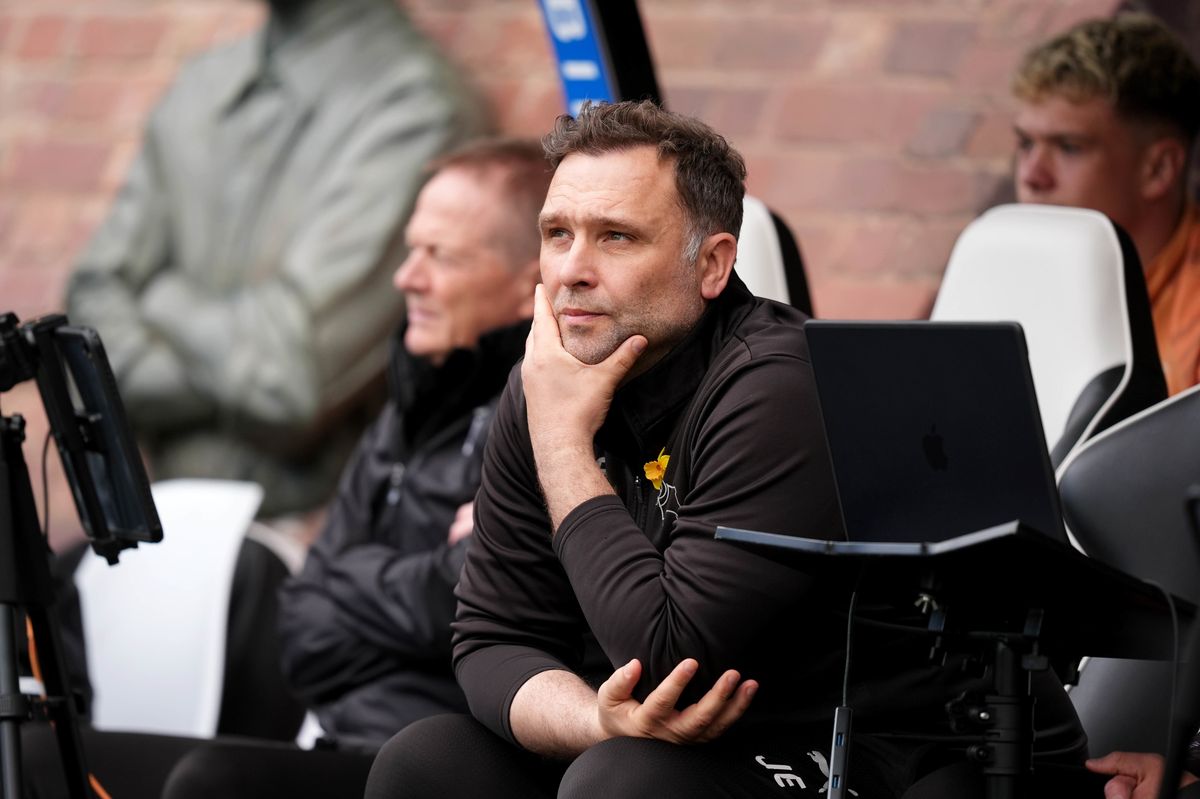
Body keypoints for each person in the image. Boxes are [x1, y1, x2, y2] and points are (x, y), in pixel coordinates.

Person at [365, 100, 1087, 799]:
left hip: (895, 748)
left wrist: (561, 444)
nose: (570, 271)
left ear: (712, 266)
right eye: (558, 234)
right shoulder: (551, 380)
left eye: (616, 236)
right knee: (428, 760)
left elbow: (673, 653)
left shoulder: (779, 388)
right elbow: (492, 635)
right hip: (698, 746)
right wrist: (595, 719)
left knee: (622, 781)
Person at [23, 138, 548, 799]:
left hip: (431, 764)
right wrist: (400, 588)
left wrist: (351, 585)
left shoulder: (545, 415)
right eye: (410, 249)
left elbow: (474, 606)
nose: (405, 276)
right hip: (333, 741)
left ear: (529, 285)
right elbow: (302, 618)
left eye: (439, 255)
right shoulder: (404, 412)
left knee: (213, 781)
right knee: (35, 756)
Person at [65, 0, 484, 521]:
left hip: (312, 543)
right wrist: (230, 369)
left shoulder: (415, 105)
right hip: (159, 521)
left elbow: (287, 379)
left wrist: (160, 298)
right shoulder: (201, 86)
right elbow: (84, 331)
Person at [1012, 13, 1200, 395]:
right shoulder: (1001, 280)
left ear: (1158, 168)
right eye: (1026, 144)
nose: (1032, 175)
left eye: (1068, 147)